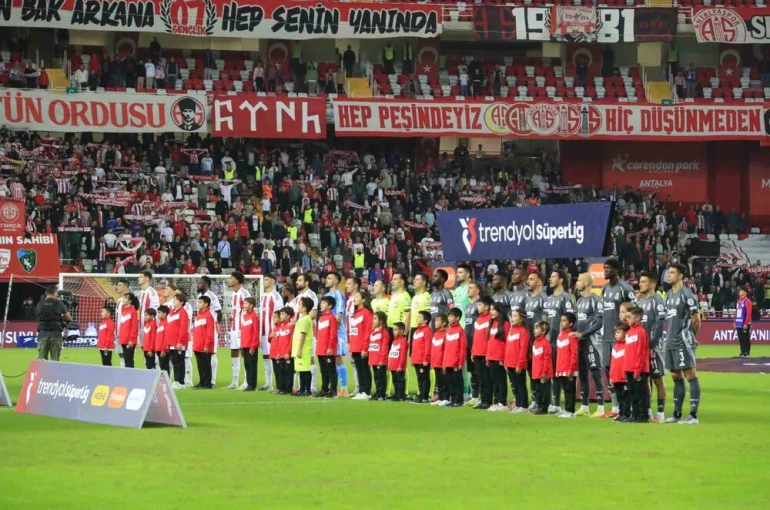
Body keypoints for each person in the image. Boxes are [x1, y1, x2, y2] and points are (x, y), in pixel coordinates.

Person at [664, 263, 702, 425]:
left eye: (672, 273)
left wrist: (690, 336)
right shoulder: (668, 294)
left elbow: (696, 319)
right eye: (668, 272)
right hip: (670, 340)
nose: (668, 275)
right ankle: (677, 414)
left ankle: (693, 415)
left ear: (680, 276)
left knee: (690, 375)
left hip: (682, 341)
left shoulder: (687, 294)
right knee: (675, 376)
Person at [601, 258, 636, 418]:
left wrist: (627, 334)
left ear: (616, 270)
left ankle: (627, 406)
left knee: (624, 374)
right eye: (604, 268)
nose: (605, 271)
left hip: (621, 338)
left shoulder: (625, 289)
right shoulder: (604, 289)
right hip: (607, 337)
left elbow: (633, 314)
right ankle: (615, 407)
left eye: (608, 268)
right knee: (609, 371)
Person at [572, 273, 606, 418]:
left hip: (592, 341)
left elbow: (599, 323)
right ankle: (584, 406)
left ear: (586, 283)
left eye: (579, 280)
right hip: (580, 342)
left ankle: (601, 407)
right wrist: (572, 332)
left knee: (596, 373)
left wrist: (583, 334)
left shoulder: (596, 300)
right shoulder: (579, 302)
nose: (577, 282)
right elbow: (578, 323)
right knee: (582, 374)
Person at [637, 271, 667, 422]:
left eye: (643, 282)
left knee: (657, 378)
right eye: (640, 281)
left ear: (652, 284)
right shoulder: (640, 302)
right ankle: (647, 411)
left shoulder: (658, 301)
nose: (640, 284)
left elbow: (659, 325)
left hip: (654, 347)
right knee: (644, 380)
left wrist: (650, 344)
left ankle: (660, 413)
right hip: (641, 347)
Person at [543, 269, 574, 411]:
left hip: (560, 342)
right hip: (549, 342)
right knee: (552, 373)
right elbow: (545, 320)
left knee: (561, 373)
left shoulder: (565, 298)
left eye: (553, 276)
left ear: (561, 280)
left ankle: (563, 404)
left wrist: (563, 339)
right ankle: (555, 403)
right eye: (550, 276)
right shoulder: (549, 299)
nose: (550, 279)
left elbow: (569, 319)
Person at [623, 306, 650, 423]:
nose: (627, 319)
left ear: (638, 318)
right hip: (629, 368)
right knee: (632, 393)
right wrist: (624, 369)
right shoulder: (629, 333)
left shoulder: (641, 332)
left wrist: (637, 370)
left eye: (630, 317)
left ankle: (643, 416)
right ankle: (634, 415)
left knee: (640, 394)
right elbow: (627, 352)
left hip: (638, 369)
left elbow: (641, 352)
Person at [324, 273, 348, 396]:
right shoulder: (327, 295)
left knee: (338, 358)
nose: (326, 280)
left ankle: (344, 388)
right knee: (331, 359)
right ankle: (333, 386)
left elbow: (339, 316)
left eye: (329, 278)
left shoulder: (338, 295)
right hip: (328, 331)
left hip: (338, 331)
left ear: (336, 281)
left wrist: (333, 331)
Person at [197, 276, 223, 387]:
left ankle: (212, 381)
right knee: (201, 354)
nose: (199, 284)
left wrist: (216, 325)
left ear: (206, 283)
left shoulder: (212, 296)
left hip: (210, 328)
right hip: (201, 327)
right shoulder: (200, 296)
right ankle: (204, 379)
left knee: (211, 353)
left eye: (201, 282)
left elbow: (219, 312)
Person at [227, 271, 251, 389]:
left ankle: (246, 381)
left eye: (231, 278)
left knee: (244, 353)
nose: (228, 280)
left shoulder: (244, 293)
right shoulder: (232, 295)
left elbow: (250, 309)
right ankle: (235, 381)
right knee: (234, 351)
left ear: (237, 280)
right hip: (233, 327)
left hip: (242, 327)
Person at [259, 274, 283, 390]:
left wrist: (276, 330)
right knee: (265, 356)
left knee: (274, 356)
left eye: (267, 279)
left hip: (272, 331)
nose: (264, 281)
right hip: (263, 331)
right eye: (264, 279)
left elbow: (280, 315)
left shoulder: (276, 296)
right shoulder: (263, 296)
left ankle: (278, 383)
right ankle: (268, 383)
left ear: (273, 282)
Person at [36, 285, 72, 362]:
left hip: (43, 334)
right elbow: (69, 318)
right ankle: (54, 374)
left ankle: (42, 374)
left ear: (46, 293)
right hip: (56, 334)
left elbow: (38, 316)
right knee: (55, 360)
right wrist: (60, 317)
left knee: (41, 359)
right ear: (56, 293)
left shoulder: (39, 304)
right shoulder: (59, 304)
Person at [554, 312, 579, 418]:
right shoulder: (560, 336)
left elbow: (574, 353)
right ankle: (566, 409)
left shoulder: (571, 336)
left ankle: (570, 411)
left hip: (569, 368)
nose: (561, 323)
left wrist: (571, 368)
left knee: (570, 390)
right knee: (565, 389)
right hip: (560, 367)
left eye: (564, 321)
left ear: (570, 324)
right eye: (561, 320)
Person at [505, 308, 530, 412]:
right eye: (512, 316)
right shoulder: (511, 331)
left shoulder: (523, 332)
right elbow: (508, 348)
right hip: (510, 363)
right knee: (514, 385)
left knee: (520, 385)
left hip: (517, 364)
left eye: (515, 316)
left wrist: (520, 364)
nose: (512, 318)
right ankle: (518, 404)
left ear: (521, 319)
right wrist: (506, 363)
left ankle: (523, 405)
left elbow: (523, 349)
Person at [349, 290, 373, 399]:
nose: (354, 298)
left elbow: (368, 331)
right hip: (355, 346)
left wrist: (365, 348)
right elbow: (354, 331)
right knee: (359, 369)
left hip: (362, 347)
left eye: (357, 296)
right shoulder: (355, 314)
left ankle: (366, 392)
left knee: (364, 369)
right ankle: (361, 390)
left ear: (363, 299)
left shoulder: (366, 313)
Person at [486, 302, 509, 411]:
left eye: (493, 309)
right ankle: (496, 401)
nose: (491, 312)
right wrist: (487, 356)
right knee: (494, 381)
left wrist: (505, 358)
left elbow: (508, 343)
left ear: (500, 311)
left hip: (500, 357)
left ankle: (502, 402)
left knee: (501, 381)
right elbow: (490, 342)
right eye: (490, 309)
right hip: (491, 357)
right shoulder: (491, 324)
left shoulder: (505, 324)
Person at [471, 296, 493, 409]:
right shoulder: (478, 320)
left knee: (486, 378)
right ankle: (483, 399)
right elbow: (475, 337)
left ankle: (488, 400)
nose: (477, 307)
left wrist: (488, 353)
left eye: (480, 305)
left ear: (487, 307)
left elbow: (490, 338)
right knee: (480, 378)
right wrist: (473, 351)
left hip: (485, 353)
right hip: (478, 353)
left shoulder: (490, 319)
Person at [315, 296, 339, 398]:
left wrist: (330, 347)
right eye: (321, 302)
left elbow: (333, 334)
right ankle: (324, 389)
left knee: (331, 371)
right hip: (320, 349)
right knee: (323, 371)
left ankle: (333, 390)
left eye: (324, 303)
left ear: (330, 306)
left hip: (328, 349)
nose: (321, 304)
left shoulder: (332, 318)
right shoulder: (321, 318)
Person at [443, 308, 467, 408]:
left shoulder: (460, 331)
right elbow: (446, 348)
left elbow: (462, 347)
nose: (449, 318)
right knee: (450, 381)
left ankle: (459, 400)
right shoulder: (448, 330)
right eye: (449, 316)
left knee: (457, 381)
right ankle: (452, 399)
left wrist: (460, 362)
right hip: (448, 361)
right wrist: (444, 363)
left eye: (451, 316)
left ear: (457, 318)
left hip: (456, 362)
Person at [463, 281, 481, 406]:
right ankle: (474, 396)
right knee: (472, 371)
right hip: (469, 342)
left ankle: (482, 396)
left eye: (471, 288)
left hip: (477, 343)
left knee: (479, 371)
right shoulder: (468, 306)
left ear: (477, 290)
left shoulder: (479, 305)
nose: (468, 289)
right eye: (468, 287)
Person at [166, 293, 190, 389]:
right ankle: (176, 380)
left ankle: (180, 381)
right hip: (171, 342)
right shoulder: (171, 312)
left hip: (178, 342)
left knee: (179, 362)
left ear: (181, 302)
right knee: (174, 362)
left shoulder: (183, 313)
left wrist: (180, 341)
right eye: (174, 299)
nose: (174, 301)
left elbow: (183, 328)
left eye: (176, 299)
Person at [292, 297, 315, 396]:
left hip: (304, 349)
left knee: (305, 369)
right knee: (301, 370)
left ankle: (307, 390)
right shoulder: (303, 319)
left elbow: (303, 335)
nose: (298, 306)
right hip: (299, 348)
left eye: (300, 305)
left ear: (305, 308)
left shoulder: (305, 320)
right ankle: (302, 389)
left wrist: (300, 349)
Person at [530, 321, 553, 415]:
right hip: (536, 372)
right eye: (534, 328)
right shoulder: (535, 342)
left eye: (537, 328)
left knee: (544, 391)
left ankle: (544, 408)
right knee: (538, 390)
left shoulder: (545, 343)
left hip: (544, 373)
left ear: (543, 331)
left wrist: (545, 372)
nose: (534, 330)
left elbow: (547, 359)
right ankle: (539, 406)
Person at [193, 296, 216, 389]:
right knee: (200, 365)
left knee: (206, 365)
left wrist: (207, 345)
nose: (198, 304)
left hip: (204, 346)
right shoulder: (198, 316)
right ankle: (202, 382)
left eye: (201, 302)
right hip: (197, 345)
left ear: (206, 304)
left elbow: (210, 333)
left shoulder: (208, 316)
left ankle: (207, 383)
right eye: (198, 302)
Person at [410, 310, 432, 403]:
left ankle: (425, 396)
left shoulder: (427, 331)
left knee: (424, 378)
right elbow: (414, 346)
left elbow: (428, 346)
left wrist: (426, 358)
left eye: (419, 317)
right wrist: (412, 358)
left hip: (423, 360)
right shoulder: (416, 331)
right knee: (419, 378)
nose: (417, 318)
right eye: (417, 316)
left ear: (425, 320)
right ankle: (421, 394)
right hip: (416, 359)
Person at [610, 323, 630, 422]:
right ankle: (621, 413)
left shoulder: (627, 346)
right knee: (619, 397)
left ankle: (626, 414)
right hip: (616, 377)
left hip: (624, 378)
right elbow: (613, 363)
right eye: (615, 332)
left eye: (618, 332)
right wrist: (611, 376)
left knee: (625, 396)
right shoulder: (615, 347)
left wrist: (626, 373)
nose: (616, 334)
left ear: (626, 333)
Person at [368, 311, 390, 401]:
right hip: (374, 359)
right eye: (373, 318)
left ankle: (381, 394)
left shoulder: (384, 332)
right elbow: (372, 347)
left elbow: (385, 347)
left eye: (375, 319)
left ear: (381, 321)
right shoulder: (373, 331)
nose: (373, 320)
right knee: (376, 377)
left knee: (381, 378)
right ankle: (378, 392)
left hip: (380, 360)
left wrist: (382, 359)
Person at [240, 297, 259, 391]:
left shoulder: (254, 317)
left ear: (251, 305)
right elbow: (243, 332)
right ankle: (249, 383)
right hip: (245, 345)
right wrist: (241, 346)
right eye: (244, 303)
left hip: (251, 345)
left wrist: (253, 346)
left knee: (252, 366)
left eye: (246, 303)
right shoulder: (244, 317)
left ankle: (253, 384)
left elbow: (255, 332)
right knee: (247, 365)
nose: (244, 305)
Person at [275, 307, 296, 394]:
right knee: (281, 371)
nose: (281, 316)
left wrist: (288, 352)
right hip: (281, 353)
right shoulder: (282, 326)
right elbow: (279, 341)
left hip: (287, 353)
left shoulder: (291, 326)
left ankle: (288, 389)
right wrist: (278, 352)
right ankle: (282, 388)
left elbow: (291, 340)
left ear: (288, 316)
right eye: (280, 314)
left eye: (283, 314)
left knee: (289, 372)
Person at [138, 270, 159, 350]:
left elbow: (156, 309)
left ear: (147, 278)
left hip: (149, 326)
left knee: (151, 349)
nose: (138, 278)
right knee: (143, 349)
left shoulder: (152, 292)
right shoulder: (140, 293)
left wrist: (152, 325)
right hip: (141, 326)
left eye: (141, 277)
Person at [429, 313, 448, 406]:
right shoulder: (435, 334)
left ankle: (446, 398)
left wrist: (444, 363)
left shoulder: (446, 334)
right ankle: (440, 397)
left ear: (444, 323)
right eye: (435, 321)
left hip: (442, 362)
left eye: (437, 321)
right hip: (436, 362)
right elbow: (433, 349)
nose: (435, 322)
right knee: (439, 381)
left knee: (444, 381)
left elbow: (446, 350)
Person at [118, 293, 139, 368]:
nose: (123, 299)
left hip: (129, 340)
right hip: (123, 340)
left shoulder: (132, 311)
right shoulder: (124, 310)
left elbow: (134, 327)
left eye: (125, 298)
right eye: (123, 297)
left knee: (129, 360)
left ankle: (131, 377)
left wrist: (132, 339)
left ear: (130, 301)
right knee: (126, 360)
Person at [388, 322, 408, 401]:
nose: (393, 331)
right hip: (393, 365)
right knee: (395, 381)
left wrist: (400, 366)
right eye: (393, 330)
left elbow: (402, 355)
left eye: (396, 330)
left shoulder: (403, 341)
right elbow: (391, 354)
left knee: (400, 381)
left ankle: (400, 396)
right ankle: (397, 394)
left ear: (401, 331)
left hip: (399, 366)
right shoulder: (394, 341)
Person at [735, 285, 753, 358]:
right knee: (740, 338)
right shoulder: (738, 301)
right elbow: (736, 312)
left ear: (745, 292)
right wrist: (734, 322)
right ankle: (742, 351)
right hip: (739, 322)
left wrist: (746, 323)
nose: (739, 292)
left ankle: (747, 352)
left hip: (745, 323)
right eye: (740, 291)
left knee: (746, 338)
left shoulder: (748, 302)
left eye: (741, 291)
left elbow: (748, 314)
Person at [156, 305, 170, 377]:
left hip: (163, 350)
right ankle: (164, 381)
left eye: (159, 312)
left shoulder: (166, 323)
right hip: (159, 349)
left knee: (165, 367)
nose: (158, 314)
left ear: (164, 314)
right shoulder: (160, 323)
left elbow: (166, 337)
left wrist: (164, 349)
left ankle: (167, 382)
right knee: (162, 366)